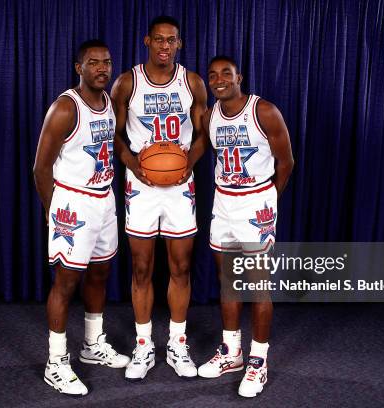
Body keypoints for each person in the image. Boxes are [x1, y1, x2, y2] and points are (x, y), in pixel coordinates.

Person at [186, 56, 294, 397]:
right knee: (228, 281)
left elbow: (286, 161)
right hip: (223, 203)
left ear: (239, 77)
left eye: (226, 74)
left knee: (258, 286)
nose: (219, 80)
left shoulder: (264, 111)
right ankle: (232, 351)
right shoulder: (210, 114)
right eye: (213, 75)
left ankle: (258, 362)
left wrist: (267, 200)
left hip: (255, 203)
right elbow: (205, 149)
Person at [110, 15, 208, 381]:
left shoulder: (192, 82)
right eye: (159, 40)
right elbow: (115, 134)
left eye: (172, 40)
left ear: (179, 44)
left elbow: (203, 135)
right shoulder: (127, 83)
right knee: (140, 267)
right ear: (146, 41)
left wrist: (189, 164)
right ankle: (143, 344)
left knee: (181, 266)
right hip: (142, 186)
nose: (165, 46)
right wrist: (133, 164)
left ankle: (177, 344)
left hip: (181, 186)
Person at [33, 39, 130, 397]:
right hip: (72, 203)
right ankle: (55, 362)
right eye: (93, 63)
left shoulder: (107, 103)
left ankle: (92, 345)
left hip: (104, 199)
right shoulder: (65, 107)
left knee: (100, 272)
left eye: (106, 62)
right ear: (79, 68)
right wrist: (51, 209)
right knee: (65, 282)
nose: (102, 68)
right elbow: (41, 168)